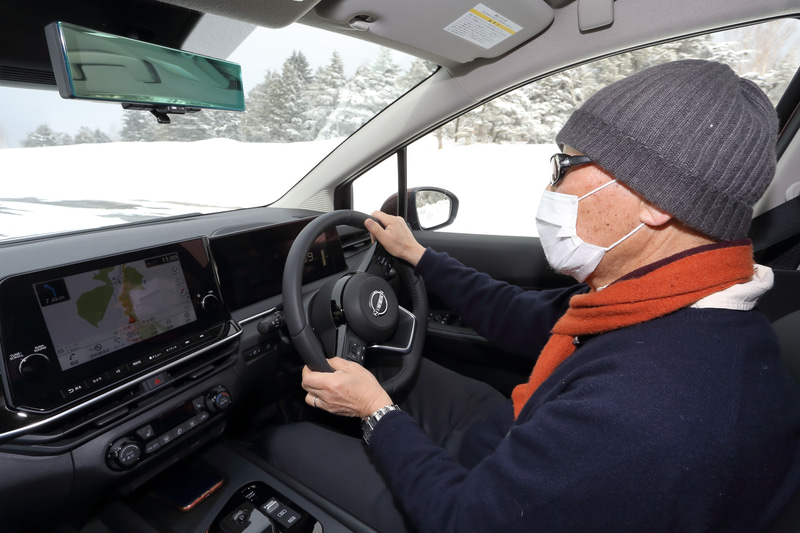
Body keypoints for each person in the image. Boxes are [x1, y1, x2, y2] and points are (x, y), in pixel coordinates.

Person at [263, 60, 800, 532]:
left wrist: (374, 412)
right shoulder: (662, 299)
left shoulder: (649, 402)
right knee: (406, 373)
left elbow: (465, 519)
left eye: (565, 166)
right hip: (522, 447)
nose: (551, 187)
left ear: (656, 200)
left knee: (285, 445)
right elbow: (520, 317)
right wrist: (418, 255)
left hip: (474, 506)